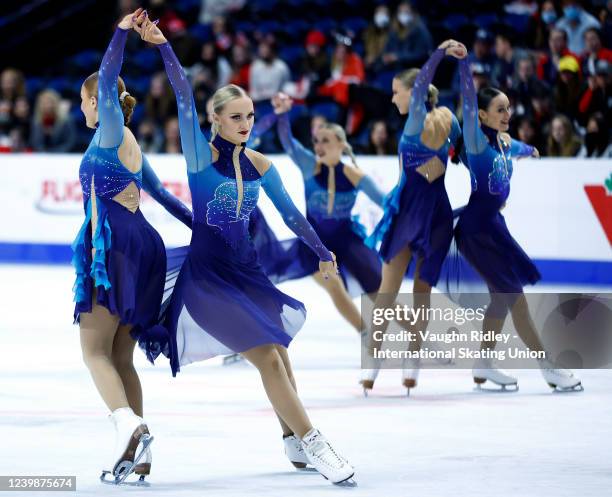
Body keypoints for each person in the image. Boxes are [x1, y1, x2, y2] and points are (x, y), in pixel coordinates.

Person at [135, 17, 356, 485]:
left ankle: (293, 439)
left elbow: (293, 216)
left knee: (280, 352)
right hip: (208, 279)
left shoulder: (260, 164)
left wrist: (322, 251)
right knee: (268, 357)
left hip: (248, 273)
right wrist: (164, 48)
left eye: (250, 116)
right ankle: (317, 443)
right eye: (236, 117)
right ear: (215, 119)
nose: (246, 124)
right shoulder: (199, 155)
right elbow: (181, 93)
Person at [73, 9, 193, 485]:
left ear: (95, 102)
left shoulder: (108, 132)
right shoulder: (130, 144)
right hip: (144, 245)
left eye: (83, 101)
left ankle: (130, 426)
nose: (82, 108)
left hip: (116, 247)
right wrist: (201, 228)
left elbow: (105, 78)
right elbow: (163, 197)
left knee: (94, 353)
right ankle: (140, 458)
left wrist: (120, 33)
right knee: (120, 358)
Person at [455, 55, 582, 392]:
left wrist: (532, 150)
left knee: (501, 298)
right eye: (499, 110)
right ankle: (549, 369)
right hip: (477, 231)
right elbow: (468, 103)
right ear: (482, 115)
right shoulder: (477, 142)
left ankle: (483, 363)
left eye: (508, 108)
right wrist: (465, 67)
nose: (507, 115)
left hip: (494, 226)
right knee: (515, 299)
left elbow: (518, 149)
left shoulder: (504, 142)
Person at [362, 40, 464, 394]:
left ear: (413, 92)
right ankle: (391, 360)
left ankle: (399, 360)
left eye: (396, 92)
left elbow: (462, 153)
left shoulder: (423, 118)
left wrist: (438, 53)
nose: (393, 99)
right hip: (427, 211)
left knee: (395, 293)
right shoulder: (448, 119)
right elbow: (461, 155)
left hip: (418, 212)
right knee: (401, 293)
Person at [247, 93, 384, 335]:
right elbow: (288, 142)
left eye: (326, 141)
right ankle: (365, 333)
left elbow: (385, 202)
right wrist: (284, 114)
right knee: (335, 288)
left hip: (347, 239)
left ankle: (422, 338)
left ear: (341, 144)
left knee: (381, 292)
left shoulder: (356, 176)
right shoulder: (309, 165)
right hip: (314, 243)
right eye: (317, 141)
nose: (318, 146)